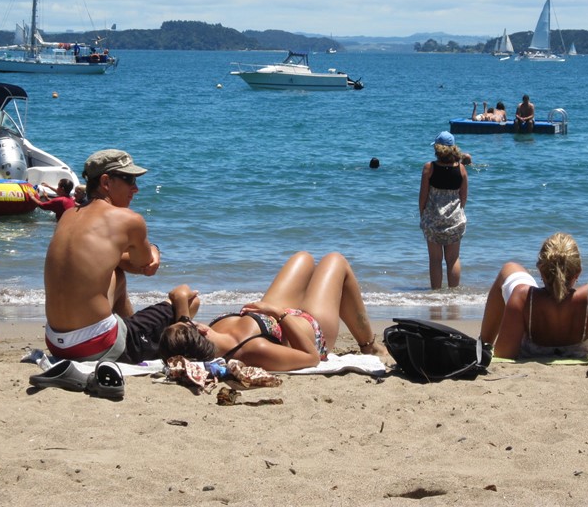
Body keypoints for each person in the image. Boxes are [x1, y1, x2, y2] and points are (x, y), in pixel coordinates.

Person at [43, 149, 197, 363]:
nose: (136, 188)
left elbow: (120, 263)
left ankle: (129, 326)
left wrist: (125, 260)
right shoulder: (128, 219)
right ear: (106, 182)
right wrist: (154, 249)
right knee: (190, 301)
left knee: (116, 272)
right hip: (95, 345)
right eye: (129, 179)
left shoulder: (68, 215)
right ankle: (136, 337)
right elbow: (146, 266)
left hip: (56, 343)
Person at [157, 251, 387, 371]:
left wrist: (180, 303)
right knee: (335, 261)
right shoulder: (253, 350)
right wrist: (280, 314)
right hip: (310, 329)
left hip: (269, 317)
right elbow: (311, 358)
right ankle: (368, 345)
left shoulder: (205, 340)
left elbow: (183, 335)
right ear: (202, 332)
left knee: (303, 258)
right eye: (189, 322)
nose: (190, 320)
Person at [419, 131, 468, 289]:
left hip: (433, 218)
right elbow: (463, 197)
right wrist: (456, 213)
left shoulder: (429, 168)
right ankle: (453, 295)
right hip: (455, 218)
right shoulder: (461, 169)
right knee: (453, 259)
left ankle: (436, 295)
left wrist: (423, 215)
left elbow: (423, 196)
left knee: (435, 259)